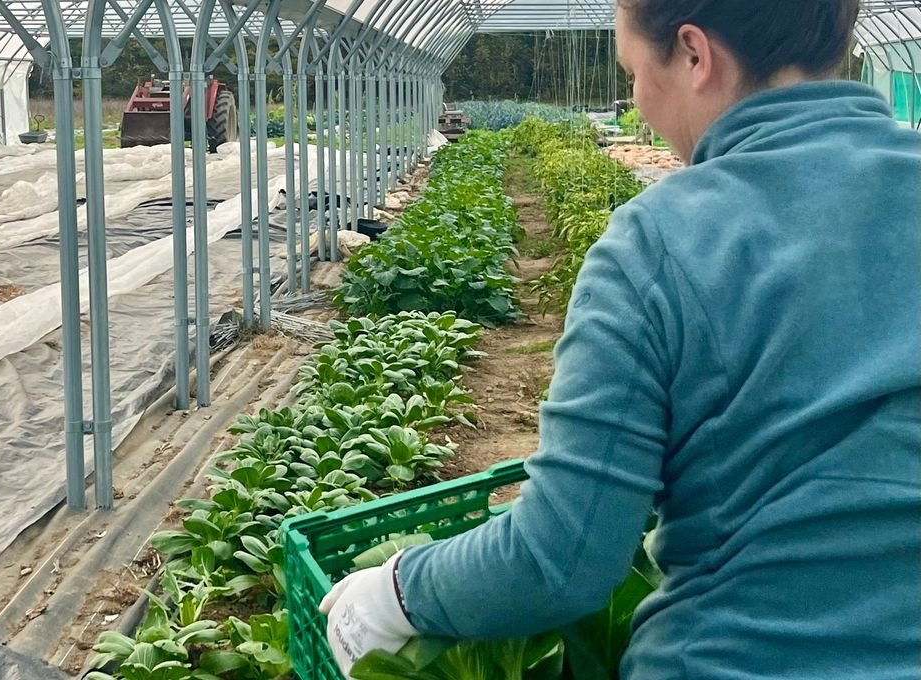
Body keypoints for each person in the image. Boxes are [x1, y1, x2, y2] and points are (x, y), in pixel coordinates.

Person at [321, 1, 921, 678]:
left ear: (695, 55)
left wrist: (396, 593)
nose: (637, 100)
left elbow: (561, 558)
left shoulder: (662, 240)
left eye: (634, 71)